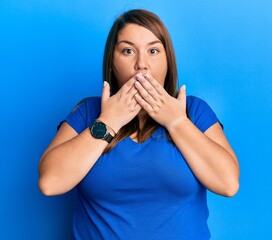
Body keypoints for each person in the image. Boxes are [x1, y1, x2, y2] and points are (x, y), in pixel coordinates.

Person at [38, 9, 239, 240]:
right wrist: (109, 121)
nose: (141, 64)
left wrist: (176, 121)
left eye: (153, 51)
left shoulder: (193, 111)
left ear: (167, 62)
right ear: (112, 62)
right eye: (128, 51)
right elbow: (49, 183)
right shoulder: (88, 113)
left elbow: (228, 184)